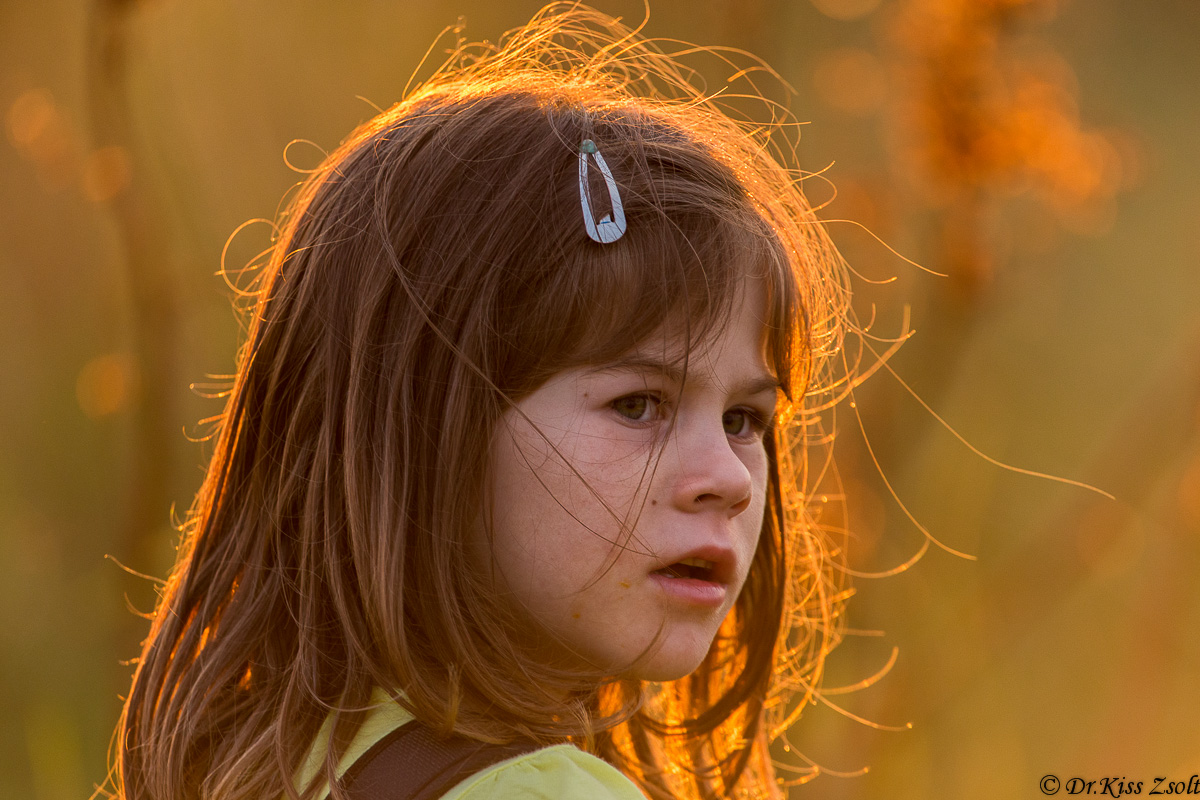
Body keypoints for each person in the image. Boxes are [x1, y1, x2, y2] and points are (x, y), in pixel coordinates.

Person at [110, 5, 855, 799]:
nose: (731, 478)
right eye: (639, 404)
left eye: (745, 420)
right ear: (430, 435)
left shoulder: (270, 766)